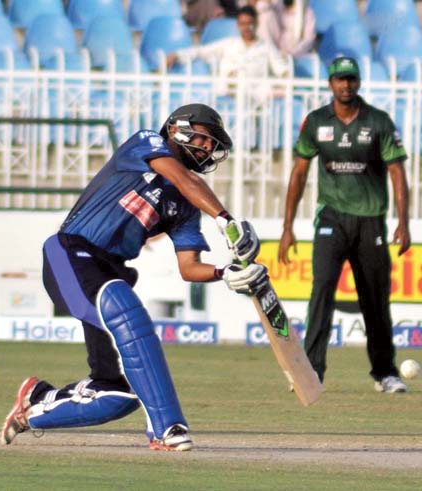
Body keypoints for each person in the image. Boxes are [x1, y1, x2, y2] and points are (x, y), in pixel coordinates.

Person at [1, 103, 268, 451]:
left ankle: (34, 406)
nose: (207, 149)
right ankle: (167, 429)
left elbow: (189, 267)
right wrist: (227, 220)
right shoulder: (145, 142)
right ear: (177, 129)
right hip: (70, 253)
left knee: (115, 395)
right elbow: (183, 179)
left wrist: (225, 272)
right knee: (125, 309)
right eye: (204, 139)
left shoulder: (186, 205)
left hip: (109, 272)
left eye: (212, 144)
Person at [278, 57, 410, 393]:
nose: (345, 85)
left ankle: (385, 373)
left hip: (370, 221)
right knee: (321, 290)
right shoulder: (316, 121)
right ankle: (312, 372)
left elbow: (397, 172)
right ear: (330, 84)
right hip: (331, 218)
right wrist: (287, 227)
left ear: (358, 82)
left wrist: (404, 222)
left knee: (375, 299)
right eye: (340, 80)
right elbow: (299, 173)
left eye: (351, 79)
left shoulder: (378, 121)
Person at [168, 6, 289, 97]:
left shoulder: (266, 47)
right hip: (226, 98)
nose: (246, 28)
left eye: (249, 24)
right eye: (242, 24)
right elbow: (201, 51)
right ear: (237, 25)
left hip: (254, 99)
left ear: (256, 23)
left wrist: (285, 79)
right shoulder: (229, 44)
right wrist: (176, 55)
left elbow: (282, 69)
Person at [252, 0, 317, 58]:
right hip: (277, 48)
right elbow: (261, 7)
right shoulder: (277, 5)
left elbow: (309, 39)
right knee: (265, 16)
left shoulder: (306, 12)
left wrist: (292, 53)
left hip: (297, 51)